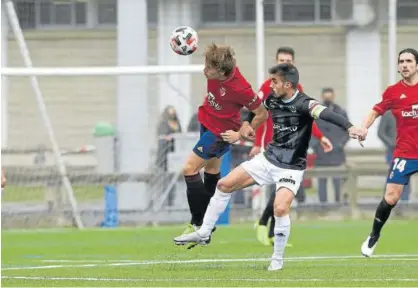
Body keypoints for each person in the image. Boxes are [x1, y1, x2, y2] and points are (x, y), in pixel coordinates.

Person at [174, 63, 366, 271]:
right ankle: (204, 232)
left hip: (291, 167)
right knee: (223, 184)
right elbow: (254, 113)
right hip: (268, 159)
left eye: (274, 81)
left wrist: (350, 127)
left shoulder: (305, 103)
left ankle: (277, 260)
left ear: (288, 84)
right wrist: (245, 127)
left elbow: (327, 113)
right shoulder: (272, 98)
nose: (270, 85)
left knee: (280, 208)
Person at [221, 46, 333, 246]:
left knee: (282, 189)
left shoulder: (296, 88)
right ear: (276, 61)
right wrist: (257, 143)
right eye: (282, 60)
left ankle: (268, 227)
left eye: (288, 60)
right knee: (278, 188)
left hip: (289, 146)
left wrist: (320, 136)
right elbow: (258, 115)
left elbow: (305, 116)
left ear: (293, 63)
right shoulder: (267, 86)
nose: (285, 63)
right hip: (269, 144)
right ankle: (265, 224)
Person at [178, 43, 268, 247]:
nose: (204, 70)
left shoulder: (240, 88)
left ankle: (199, 223)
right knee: (211, 170)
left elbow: (262, 113)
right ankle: (206, 227)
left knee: (189, 169)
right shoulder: (216, 69)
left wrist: (240, 133)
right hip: (206, 121)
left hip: (220, 132)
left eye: (209, 68)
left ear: (221, 71)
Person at [360, 48, 418, 257]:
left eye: (409, 61)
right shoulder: (393, 91)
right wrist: (364, 127)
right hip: (404, 153)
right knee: (391, 197)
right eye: (401, 61)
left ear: (416, 65)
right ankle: (374, 235)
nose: (404, 65)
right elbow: (375, 110)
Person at [314, 87, 350, 203]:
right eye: (326, 96)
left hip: (336, 153)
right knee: (322, 181)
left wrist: (341, 144)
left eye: (330, 96)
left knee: (337, 181)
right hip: (321, 153)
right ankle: (322, 206)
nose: (328, 98)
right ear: (322, 97)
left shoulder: (341, 112)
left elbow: (348, 130)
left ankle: (338, 204)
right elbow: (309, 130)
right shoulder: (315, 112)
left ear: (334, 96)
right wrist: (315, 145)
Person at [377, 111, 410, 201]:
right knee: (393, 178)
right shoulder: (388, 114)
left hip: (407, 151)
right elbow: (381, 133)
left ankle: (404, 203)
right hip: (393, 152)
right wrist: (392, 143)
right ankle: (387, 204)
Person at [156, 106, 182, 206]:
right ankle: (164, 203)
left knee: (174, 181)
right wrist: (168, 138)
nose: (172, 115)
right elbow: (162, 137)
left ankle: (172, 202)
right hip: (165, 156)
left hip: (175, 155)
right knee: (164, 180)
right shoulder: (163, 124)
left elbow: (180, 135)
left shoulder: (177, 124)